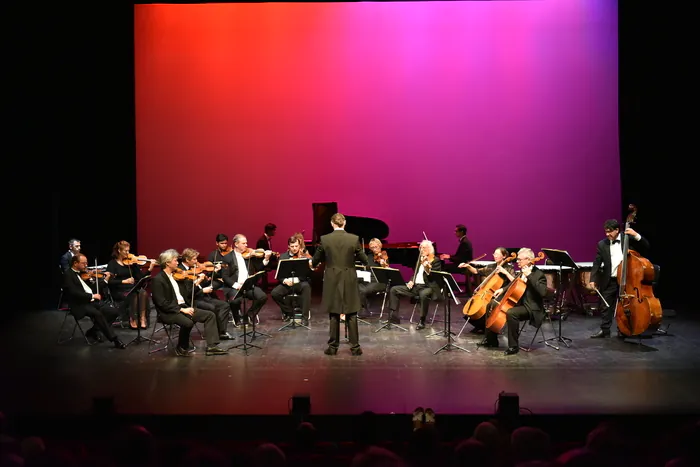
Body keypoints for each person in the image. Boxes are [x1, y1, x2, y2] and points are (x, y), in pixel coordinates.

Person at [150, 249, 227, 356]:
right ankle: (181, 347)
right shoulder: (158, 279)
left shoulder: (175, 276)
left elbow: (186, 293)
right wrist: (182, 309)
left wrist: (196, 283)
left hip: (183, 306)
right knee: (188, 321)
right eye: (175, 261)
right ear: (167, 263)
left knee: (210, 315)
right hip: (169, 312)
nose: (178, 263)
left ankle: (212, 346)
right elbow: (162, 303)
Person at [311, 213, 368, 356]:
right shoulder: (353, 239)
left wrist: (313, 263)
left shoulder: (325, 239)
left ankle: (333, 347)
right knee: (352, 312)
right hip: (349, 278)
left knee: (334, 313)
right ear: (345, 223)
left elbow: (315, 260)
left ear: (332, 224)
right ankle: (355, 348)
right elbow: (365, 259)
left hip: (332, 278)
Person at [589, 219, 650, 338]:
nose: (607, 234)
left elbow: (646, 246)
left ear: (617, 230)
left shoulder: (627, 238)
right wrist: (593, 279)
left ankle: (624, 329)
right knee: (605, 305)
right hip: (610, 279)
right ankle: (605, 330)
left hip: (628, 280)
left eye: (610, 232)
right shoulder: (602, 244)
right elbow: (596, 263)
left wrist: (636, 235)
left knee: (626, 305)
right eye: (605, 232)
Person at [62, 254, 126, 349]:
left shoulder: (82, 274)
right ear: (75, 263)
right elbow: (73, 293)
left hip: (90, 302)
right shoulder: (68, 275)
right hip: (79, 305)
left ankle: (93, 331)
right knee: (98, 314)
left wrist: (105, 280)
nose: (86, 265)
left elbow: (91, 289)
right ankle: (115, 339)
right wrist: (92, 296)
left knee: (113, 312)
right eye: (83, 263)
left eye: (86, 263)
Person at [496, 247, 548, 355]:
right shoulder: (522, 271)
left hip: (532, 308)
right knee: (495, 304)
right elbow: (515, 283)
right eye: (517, 259)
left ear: (529, 260)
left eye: (520, 259)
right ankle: (491, 340)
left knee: (511, 313)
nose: (517, 261)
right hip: (521, 303)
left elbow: (542, 293)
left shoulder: (538, 274)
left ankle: (513, 347)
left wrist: (530, 275)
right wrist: (502, 290)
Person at [460, 247, 516, 340]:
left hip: (502, 293)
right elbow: (477, 271)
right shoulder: (491, 266)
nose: (495, 256)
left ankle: (488, 328)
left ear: (504, 256)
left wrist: (505, 272)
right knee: (476, 308)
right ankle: (482, 326)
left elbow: (514, 282)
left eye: (497, 254)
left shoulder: (508, 268)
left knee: (488, 306)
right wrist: (468, 266)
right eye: (494, 254)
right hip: (490, 294)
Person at [386, 239, 442, 330]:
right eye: (421, 248)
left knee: (423, 294)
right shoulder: (420, 259)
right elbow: (415, 273)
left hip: (428, 287)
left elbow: (433, 277)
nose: (421, 250)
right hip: (416, 287)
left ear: (430, 249)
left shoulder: (436, 261)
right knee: (394, 289)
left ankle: (422, 320)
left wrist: (427, 266)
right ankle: (394, 316)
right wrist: (411, 280)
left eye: (424, 248)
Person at [179, 248, 233, 340]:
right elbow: (186, 292)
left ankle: (221, 332)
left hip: (201, 296)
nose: (196, 262)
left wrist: (210, 276)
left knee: (225, 305)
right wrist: (202, 290)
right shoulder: (180, 272)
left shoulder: (193, 268)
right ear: (187, 260)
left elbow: (201, 284)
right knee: (211, 308)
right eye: (194, 259)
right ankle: (213, 333)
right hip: (192, 299)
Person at [223, 234, 272, 325]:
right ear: (236, 244)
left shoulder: (249, 255)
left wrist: (266, 259)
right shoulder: (227, 258)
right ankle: (237, 318)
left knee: (262, 297)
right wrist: (237, 285)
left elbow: (259, 267)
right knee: (235, 301)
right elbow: (225, 276)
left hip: (248, 285)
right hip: (235, 286)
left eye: (246, 243)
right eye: (243, 243)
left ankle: (249, 314)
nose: (246, 245)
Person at [106, 240, 155, 329]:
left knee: (142, 292)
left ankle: (142, 318)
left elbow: (141, 278)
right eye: (126, 251)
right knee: (135, 294)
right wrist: (124, 281)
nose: (128, 253)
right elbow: (109, 282)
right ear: (119, 251)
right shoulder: (112, 264)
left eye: (129, 250)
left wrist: (150, 269)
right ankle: (133, 318)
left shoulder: (131, 263)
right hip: (119, 290)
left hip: (132, 288)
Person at [271, 236, 312, 323]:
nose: (294, 249)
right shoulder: (283, 257)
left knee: (306, 287)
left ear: (299, 246)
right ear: (288, 246)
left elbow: (306, 273)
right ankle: (289, 312)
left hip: (299, 282)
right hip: (287, 283)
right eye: (292, 246)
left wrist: (297, 280)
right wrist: (285, 280)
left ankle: (304, 318)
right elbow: (279, 275)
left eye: (296, 246)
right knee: (275, 293)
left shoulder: (303, 256)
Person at [358, 238, 391, 316]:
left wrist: (383, 263)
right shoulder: (369, 256)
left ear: (380, 246)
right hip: (368, 280)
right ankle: (363, 309)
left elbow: (386, 265)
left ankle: (363, 310)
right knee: (356, 286)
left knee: (362, 290)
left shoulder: (384, 254)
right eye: (372, 247)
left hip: (379, 281)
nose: (374, 249)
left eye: (376, 247)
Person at [439, 224, 474, 294]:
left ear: (461, 232)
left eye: (456, 231)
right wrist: (449, 256)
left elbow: (461, 259)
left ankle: (448, 291)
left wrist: (449, 257)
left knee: (443, 268)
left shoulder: (464, 243)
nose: (454, 233)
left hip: (462, 266)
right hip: (462, 263)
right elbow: (459, 256)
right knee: (444, 267)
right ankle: (448, 290)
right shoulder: (464, 241)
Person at [256, 223, 277, 290]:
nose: (275, 232)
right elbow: (262, 254)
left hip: (268, 260)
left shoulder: (267, 239)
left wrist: (274, 254)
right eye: (274, 230)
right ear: (269, 231)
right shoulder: (262, 240)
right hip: (263, 262)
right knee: (280, 264)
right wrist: (274, 255)